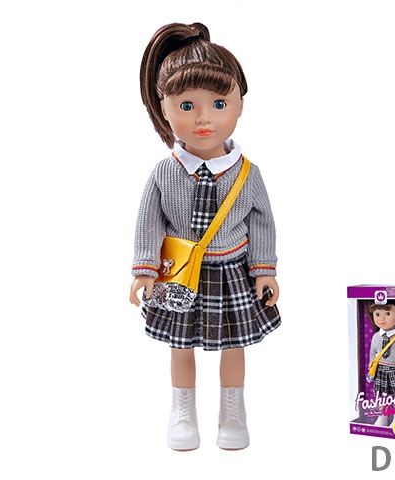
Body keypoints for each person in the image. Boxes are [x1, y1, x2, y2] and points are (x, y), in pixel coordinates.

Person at [129, 22, 281, 450]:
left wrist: (264, 270)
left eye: (218, 103)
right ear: (163, 106)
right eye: (187, 105)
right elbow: (148, 222)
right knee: (180, 345)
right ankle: (183, 410)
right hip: (179, 273)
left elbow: (262, 221)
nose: (203, 118)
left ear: (239, 104)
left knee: (234, 345)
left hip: (232, 271)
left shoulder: (247, 173)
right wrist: (144, 269)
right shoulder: (165, 173)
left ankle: (232, 411)